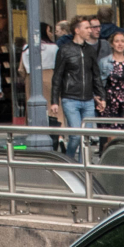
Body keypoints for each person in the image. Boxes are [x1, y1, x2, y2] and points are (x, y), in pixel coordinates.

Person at [52, 15, 100, 158]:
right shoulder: (65, 50)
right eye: (86, 28)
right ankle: (69, 159)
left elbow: (96, 74)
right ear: (77, 30)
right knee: (76, 136)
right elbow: (58, 76)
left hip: (88, 99)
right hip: (70, 98)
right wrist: (54, 100)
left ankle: (81, 168)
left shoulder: (90, 50)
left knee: (86, 137)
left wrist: (101, 96)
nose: (90, 30)